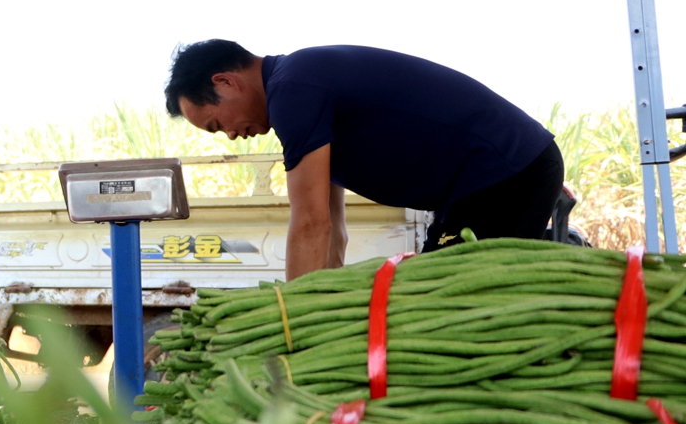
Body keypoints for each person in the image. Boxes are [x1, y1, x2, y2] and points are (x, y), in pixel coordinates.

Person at [164, 40, 564, 278]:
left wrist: (293, 322)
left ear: (226, 81)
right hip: (492, 182)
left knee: (440, 304)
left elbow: (308, 226)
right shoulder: (302, 91)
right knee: (427, 295)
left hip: (506, 174)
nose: (232, 134)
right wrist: (325, 303)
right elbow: (331, 230)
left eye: (218, 124)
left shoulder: (294, 89)